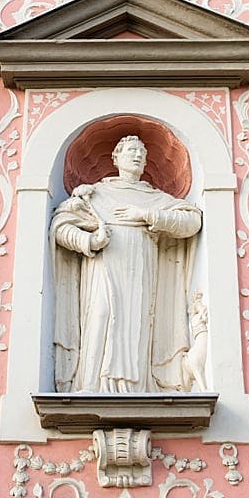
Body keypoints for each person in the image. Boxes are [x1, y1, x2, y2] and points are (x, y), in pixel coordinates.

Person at [51, 135, 202, 393]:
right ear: (116, 157)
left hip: (141, 267)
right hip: (103, 266)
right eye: (131, 150)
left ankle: (135, 389)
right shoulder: (96, 194)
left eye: (142, 153)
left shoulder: (154, 198)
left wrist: (147, 215)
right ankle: (91, 385)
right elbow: (61, 226)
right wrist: (89, 241)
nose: (137, 156)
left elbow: (191, 222)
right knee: (100, 316)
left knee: (137, 322)